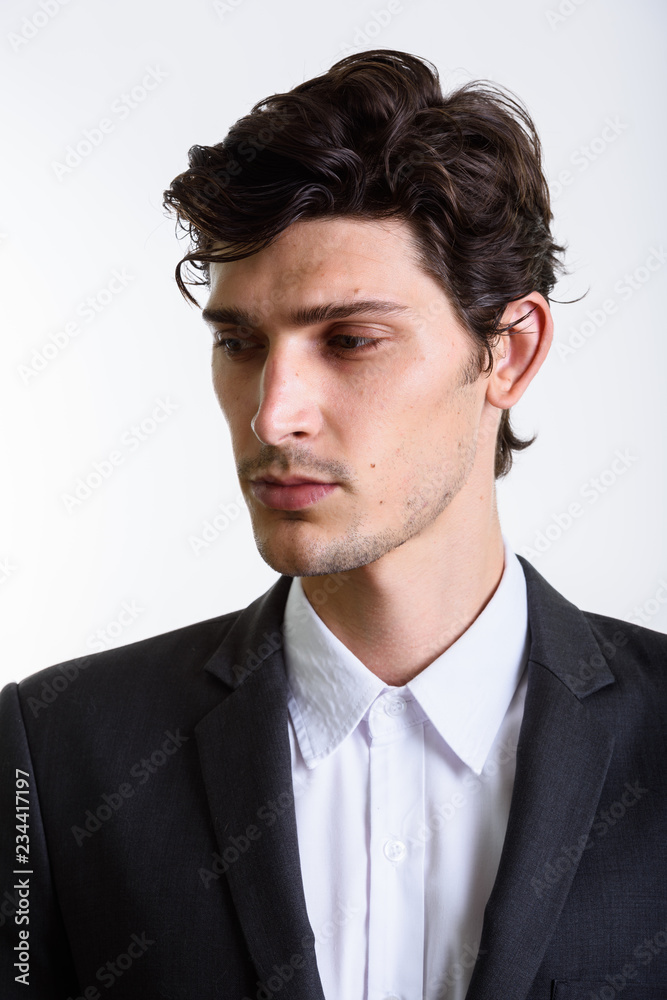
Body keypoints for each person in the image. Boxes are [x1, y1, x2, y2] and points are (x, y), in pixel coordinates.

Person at [1, 48, 665, 1000]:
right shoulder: (58, 752)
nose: (274, 415)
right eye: (238, 343)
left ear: (508, 354)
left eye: (350, 340)